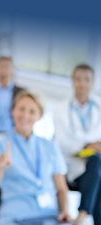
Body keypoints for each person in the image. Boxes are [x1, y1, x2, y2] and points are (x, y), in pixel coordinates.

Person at [0, 91, 72, 225]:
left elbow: (61, 188)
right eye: (21, 109)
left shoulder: (50, 146)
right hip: (15, 215)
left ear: (40, 116)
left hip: (49, 214)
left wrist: (65, 211)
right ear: (13, 111)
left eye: (32, 111)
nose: (25, 115)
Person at [53, 64, 101, 225]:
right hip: (71, 167)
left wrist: (94, 147)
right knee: (96, 164)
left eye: (86, 80)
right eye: (78, 79)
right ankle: (82, 217)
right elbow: (62, 144)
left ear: (92, 82)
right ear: (72, 81)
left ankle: (81, 216)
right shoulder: (60, 109)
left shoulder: (99, 106)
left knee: (96, 164)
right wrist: (88, 146)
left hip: (95, 167)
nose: (82, 83)